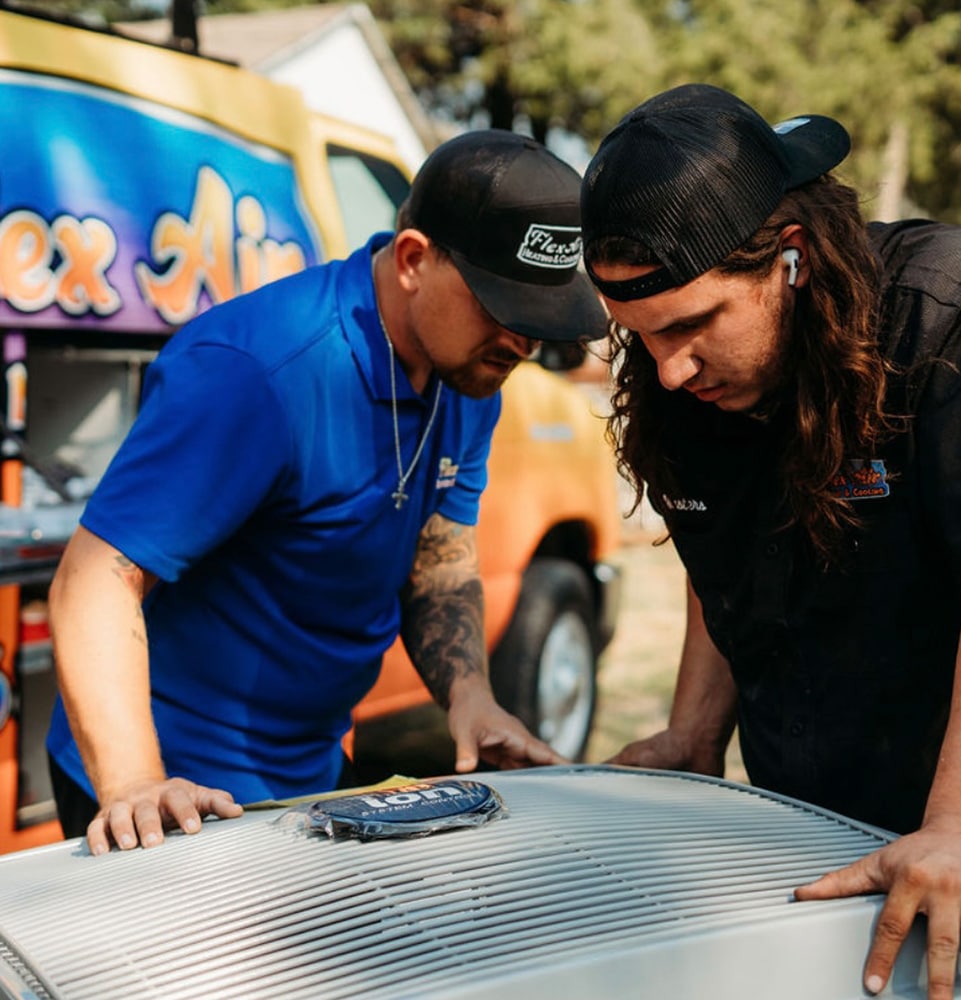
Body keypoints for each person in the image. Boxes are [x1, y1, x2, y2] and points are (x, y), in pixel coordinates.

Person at [581, 84, 961, 1000]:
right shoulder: (693, 382)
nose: (669, 369)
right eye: (641, 336)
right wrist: (694, 731)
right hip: (853, 853)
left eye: (691, 325)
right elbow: (723, 547)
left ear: (790, 256)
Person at [46, 129, 608, 857]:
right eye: (501, 308)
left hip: (309, 777)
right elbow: (94, 580)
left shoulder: (470, 376)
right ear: (413, 260)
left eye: (536, 320)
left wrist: (470, 696)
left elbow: (439, 554)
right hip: (170, 785)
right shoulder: (255, 372)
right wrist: (133, 783)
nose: (521, 344)